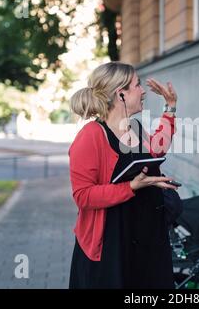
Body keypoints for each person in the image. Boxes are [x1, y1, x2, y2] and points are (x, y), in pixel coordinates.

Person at [68, 61, 179, 289]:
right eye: (137, 85)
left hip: (148, 237)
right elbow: (83, 196)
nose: (143, 91)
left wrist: (170, 107)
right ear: (121, 95)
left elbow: (157, 149)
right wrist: (130, 187)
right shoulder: (91, 135)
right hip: (113, 244)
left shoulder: (134, 127)